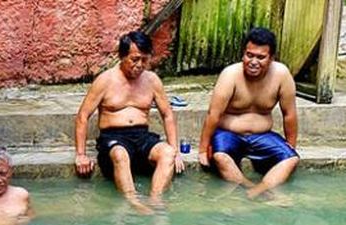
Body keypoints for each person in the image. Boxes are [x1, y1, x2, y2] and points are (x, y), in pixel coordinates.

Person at [74, 31, 184, 214]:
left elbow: (167, 114)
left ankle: (156, 201)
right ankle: (133, 201)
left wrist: (176, 150)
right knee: (120, 153)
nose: (139, 65)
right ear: (122, 56)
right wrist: (80, 154)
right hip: (113, 138)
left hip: (142, 136)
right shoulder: (105, 80)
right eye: (134, 59)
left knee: (168, 153)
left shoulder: (152, 80)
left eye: (145, 60)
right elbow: (82, 116)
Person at [198, 27, 299, 199]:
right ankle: (251, 188)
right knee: (221, 157)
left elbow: (289, 114)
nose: (253, 61)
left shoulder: (281, 75)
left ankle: (258, 191)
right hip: (228, 134)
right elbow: (213, 114)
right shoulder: (230, 75)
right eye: (249, 55)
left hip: (262, 136)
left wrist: (291, 144)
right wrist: (202, 149)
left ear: (271, 58)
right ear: (243, 54)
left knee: (291, 159)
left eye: (261, 57)